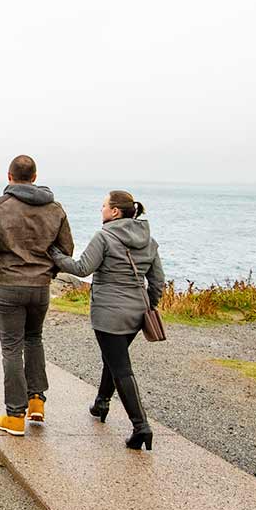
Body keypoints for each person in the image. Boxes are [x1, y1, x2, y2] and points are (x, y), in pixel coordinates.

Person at [50, 190, 165, 451]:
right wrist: (149, 304)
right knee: (113, 358)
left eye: (103, 206)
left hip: (108, 312)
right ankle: (102, 401)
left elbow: (82, 268)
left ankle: (141, 426)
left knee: (121, 366)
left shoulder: (104, 236)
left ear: (115, 212)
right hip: (137, 312)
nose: (101, 210)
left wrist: (55, 255)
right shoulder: (150, 240)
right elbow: (157, 281)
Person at [0, 154, 74, 436]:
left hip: (8, 285)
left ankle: (15, 416)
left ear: (9, 177)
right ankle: (36, 401)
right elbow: (66, 249)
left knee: (11, 349)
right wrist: (48, 273)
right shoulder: (55, 208)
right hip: (40, 287)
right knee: (34, 340)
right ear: (35, 177)